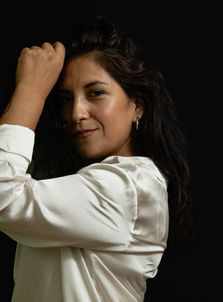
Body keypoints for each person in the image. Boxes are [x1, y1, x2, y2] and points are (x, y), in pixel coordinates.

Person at [0, 15, 195, 301]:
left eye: (96, 93)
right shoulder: (81, 185)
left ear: (137, 105)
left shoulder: (131, 186)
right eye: (66, 99)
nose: (76, 113)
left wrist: (30, 91)